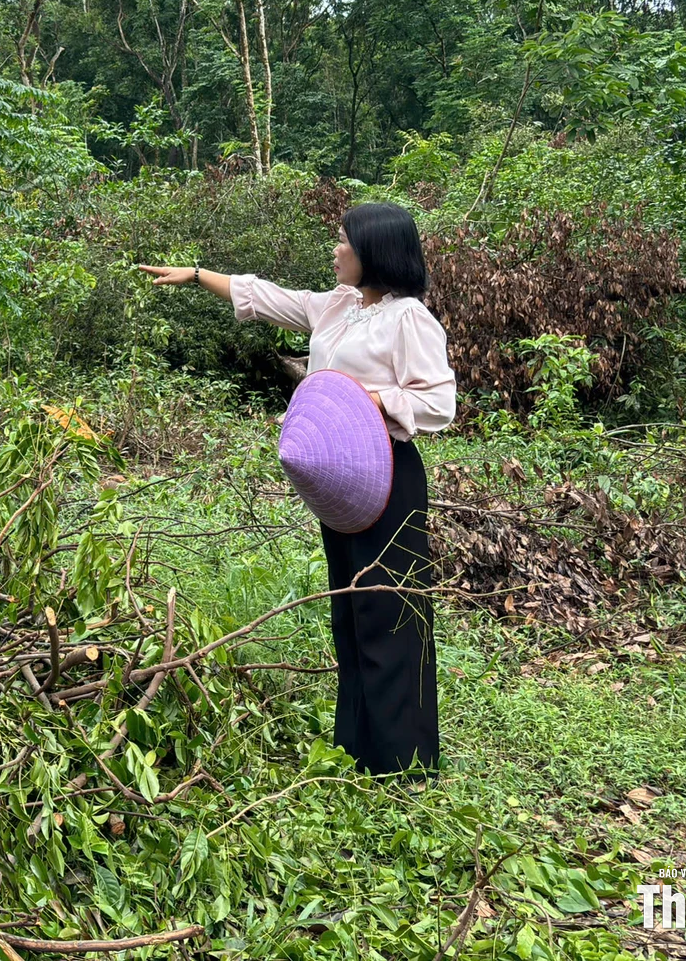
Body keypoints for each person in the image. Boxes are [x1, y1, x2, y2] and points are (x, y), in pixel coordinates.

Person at [138, 202, 455, 776]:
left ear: (373, 251)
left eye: (344, 243)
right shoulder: (339, 307)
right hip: (341, 480)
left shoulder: (409, 319)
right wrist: (193, 274)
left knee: (391, 613)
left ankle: (403, 762)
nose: (335, 250)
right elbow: (267, 297)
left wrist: (369, 399)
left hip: (388, 474)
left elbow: (438, 402)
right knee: (351, 610)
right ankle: (357, 747)